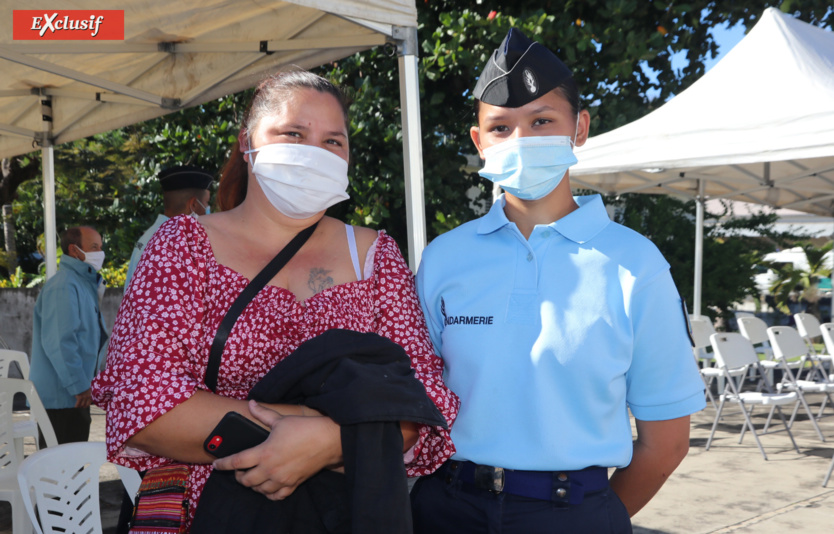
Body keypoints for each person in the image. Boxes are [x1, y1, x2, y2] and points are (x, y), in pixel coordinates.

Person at [91, 70, 459, 530]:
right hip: (204, 514)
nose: (314, 153)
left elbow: (421, 405)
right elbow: (145, 403)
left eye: (333, 141)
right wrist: (320, 429)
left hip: (340, 516)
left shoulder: (374, 256)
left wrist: (326, 442)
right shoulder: (183, 246)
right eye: (294, 134)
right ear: (248, 143)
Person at [411, 29, 706, 533]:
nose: (521, 140)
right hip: (447, 508)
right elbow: (415, 400)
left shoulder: (636, 265)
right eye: (501, 127)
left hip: (574, 511)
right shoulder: (444, 258)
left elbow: (666, 443)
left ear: (579, 127)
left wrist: (594, 519)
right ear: (479, 143)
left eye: (542, 121)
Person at [31, 225, 109, 445]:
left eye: (100, 247)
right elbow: (59, 342)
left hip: (74, 394)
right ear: (75, 250)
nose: (100, 253)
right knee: (60, 462)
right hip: (64, 397)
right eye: (94, 247)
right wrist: (79, 386)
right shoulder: (64, 286)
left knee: (73, 461)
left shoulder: (82, 283)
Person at [123, 165, 213, 288]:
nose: (208, 209)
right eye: (207, 202)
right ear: (193, 205)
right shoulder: (174, 242)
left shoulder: (153, 235)